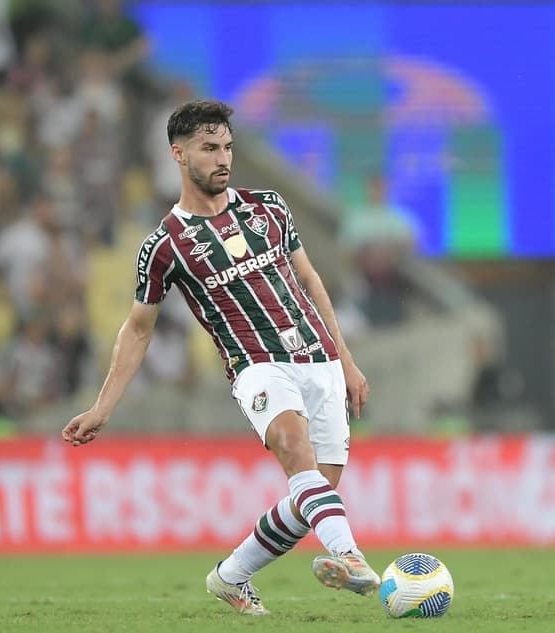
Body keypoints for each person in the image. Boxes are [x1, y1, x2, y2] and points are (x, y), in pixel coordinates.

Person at [61, 100, 379, 615]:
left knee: (314, 493)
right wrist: (103, 407)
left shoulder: (269, 207)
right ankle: (350, 556)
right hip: (256, 364)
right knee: (291, 445)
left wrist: (345, 357)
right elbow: (138, 329)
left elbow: (310, 280)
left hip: (318, 357)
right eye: (210, 148)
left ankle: (231, 577)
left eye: (227, 146)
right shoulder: (165, 244)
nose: (223, 158)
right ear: (179, 154)